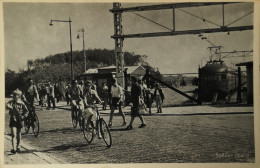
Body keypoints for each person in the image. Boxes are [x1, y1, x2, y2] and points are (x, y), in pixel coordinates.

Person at [6, 89, 29, 154]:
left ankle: (18, 146)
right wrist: (9, 107)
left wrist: (23, 116)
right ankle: (14, 148)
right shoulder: (11, 102)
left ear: (19, 96)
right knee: (13, 134)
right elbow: (7, 105)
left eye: (15, 95)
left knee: (18, 134)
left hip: (19, 119)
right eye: (13, 95)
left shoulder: (22, 103)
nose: (14, 96)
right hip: (13, 119)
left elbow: (26, 111)